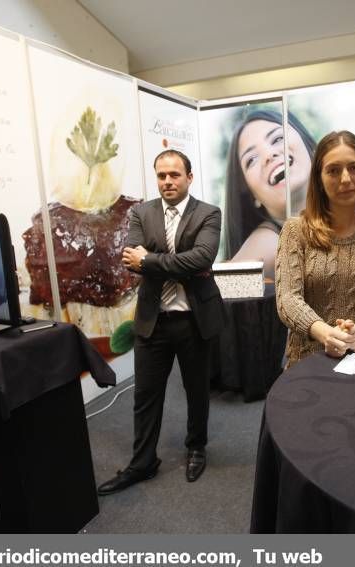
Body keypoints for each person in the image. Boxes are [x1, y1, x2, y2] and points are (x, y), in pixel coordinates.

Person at [97, 149, 225, 495]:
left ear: (189, 177)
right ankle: (143, 463)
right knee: (145, 395)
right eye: (161, 175)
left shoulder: (209, 213)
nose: (167, 181)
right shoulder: (142, 212)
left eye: (174, 175)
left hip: (193, 318)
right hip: (153, 319)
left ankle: (196, 447)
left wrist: (149, 260)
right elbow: (129, 259)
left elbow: (203, 256)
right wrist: (176, 263)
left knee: (197, 390)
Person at [276, 130, 355, 366]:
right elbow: (288, 298)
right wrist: (325, 333)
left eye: (354, 168)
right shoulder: (295, 231)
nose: (345, 179)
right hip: (309, 359)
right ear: (319, 179)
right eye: (333, 170)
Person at [224, 110, 316, 280]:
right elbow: (223, 288)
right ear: (252, 196)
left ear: (308, 145)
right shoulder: (269, 243)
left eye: (278, 139)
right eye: (251, 159)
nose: (269, 155)